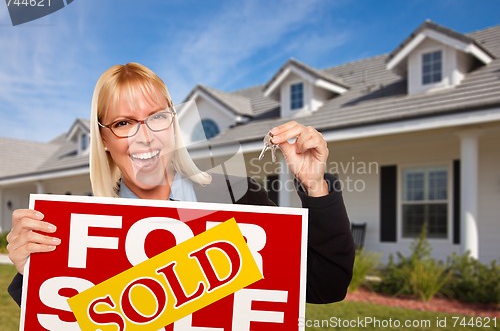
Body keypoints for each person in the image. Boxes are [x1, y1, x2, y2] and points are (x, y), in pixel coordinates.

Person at [7, 63, 354, 307]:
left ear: (173, 123)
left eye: (157, 117)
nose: (145, 138)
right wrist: (33, 272)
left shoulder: (238, 197)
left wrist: (314, 184)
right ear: (104, 139)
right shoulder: (77, 229)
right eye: (124, 122)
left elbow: (328, 284)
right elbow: (63, 315)